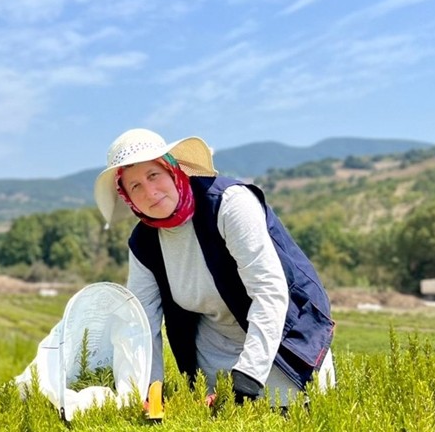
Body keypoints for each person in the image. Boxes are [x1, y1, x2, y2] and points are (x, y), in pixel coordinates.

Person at [95, 129, 335, 407]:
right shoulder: (144, 243)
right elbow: (142, 322)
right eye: (135, 186)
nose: (150, 192)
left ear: (173, 170)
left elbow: (269, 291)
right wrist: (150, 389)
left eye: (153, 175)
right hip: (217, 346)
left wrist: (247, 379)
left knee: (284, 410)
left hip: (283, 336)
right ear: (127, 197)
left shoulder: (229, 204)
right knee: (216, 414)